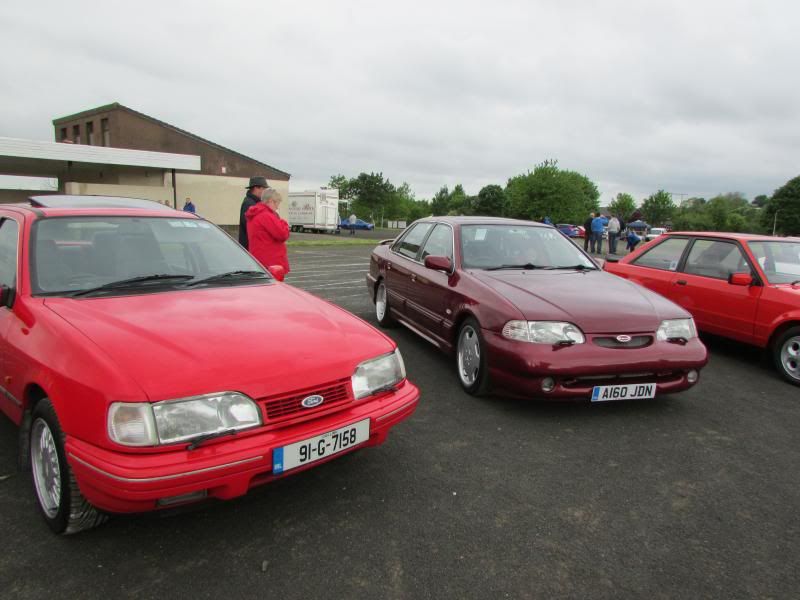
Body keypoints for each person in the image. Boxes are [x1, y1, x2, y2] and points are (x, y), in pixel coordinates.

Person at [246, 188, 290, 274]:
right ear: (270, 201)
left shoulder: (255, 214)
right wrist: (283, 222)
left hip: (260, 259)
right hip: (271, 263)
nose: (277, 206)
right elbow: (282, 234)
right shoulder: (266, 215)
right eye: (277, 203)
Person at [239, 176, 269, 249]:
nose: (265, 191)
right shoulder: (249, 204)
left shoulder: (255, 202)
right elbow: (252, 226)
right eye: (264, 188)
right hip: (249, 247)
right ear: (256, 188)